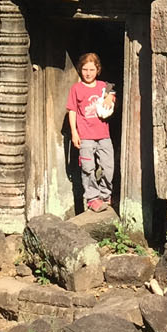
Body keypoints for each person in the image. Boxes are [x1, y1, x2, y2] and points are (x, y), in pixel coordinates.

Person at [66, 51, 117, 212]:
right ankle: (93, 199)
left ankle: (105, 194)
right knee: (88, 168)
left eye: (92, 70)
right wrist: (74, 133)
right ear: (80, 70)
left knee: (108, 167)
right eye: (85, 69)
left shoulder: (103, 87)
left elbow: (112, 93)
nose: (88, 73)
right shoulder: (76, 89)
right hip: (85, 136)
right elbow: (72, 111)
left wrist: (110, 97)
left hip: (104, 135)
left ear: (98, 70)